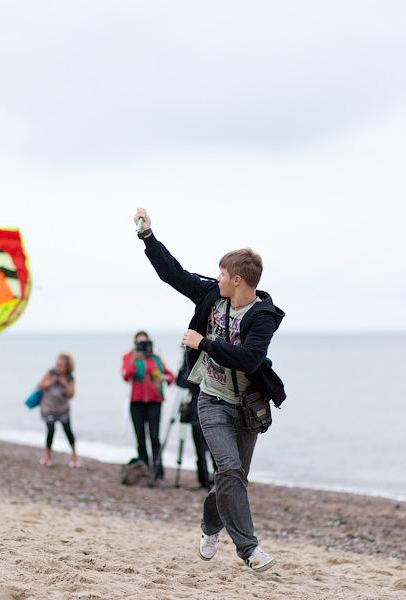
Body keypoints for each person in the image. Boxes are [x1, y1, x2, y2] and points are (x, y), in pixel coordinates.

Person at [133, 208, 286, 572]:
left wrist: (204, 344)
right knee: (229, 469)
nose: (215, 277)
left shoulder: (263, 316)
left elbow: (250, 359)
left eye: (221, 272)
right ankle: (249, 550)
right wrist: (148, 238)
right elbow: (174, 273)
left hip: (249, 406)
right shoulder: (209, 295)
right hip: (212, 400)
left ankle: (210, 526)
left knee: (233, 478)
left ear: (237, 280)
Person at [121, 331, 175, 479]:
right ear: (135, 343)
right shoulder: (129, 357)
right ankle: (143, 468)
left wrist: (164, 377)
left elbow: (171, 377)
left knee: (154, 436)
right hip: (136, 402)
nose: (143, 346)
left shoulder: (156, 358)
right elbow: (126, 376)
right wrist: (133, 361)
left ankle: (158, 470)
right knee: (140, 437)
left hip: (154, 401)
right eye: (140, 343)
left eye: (145, 342)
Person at [176, 350, 215, 491]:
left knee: (214, 449)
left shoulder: (210, 362)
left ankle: (218, 480)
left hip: (210, 409)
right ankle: (204, 481)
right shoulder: (189, 364)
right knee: (200, 449)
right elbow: (181, 383)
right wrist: (185, 364)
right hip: (195, 411)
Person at [38, 353, 79, 468]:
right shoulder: (50, 373)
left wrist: (64, 384)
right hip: (48, 407)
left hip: (63, 409)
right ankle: (47, 457)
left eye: (61, 365)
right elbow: (41, 385)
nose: (58, 367)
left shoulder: (70, 378)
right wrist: (51, 382)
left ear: (67, 367)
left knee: (68, 431)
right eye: (57, 364)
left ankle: (75, 457)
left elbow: (71, 394)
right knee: (50, 430)